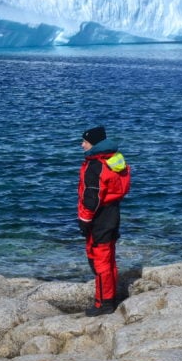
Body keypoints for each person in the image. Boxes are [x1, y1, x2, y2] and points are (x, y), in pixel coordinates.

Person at [77, 125, 131, 316]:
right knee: (108, 259)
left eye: (84, 142)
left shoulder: (95, 165)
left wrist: (84, 220)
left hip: (99, 218)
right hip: (113, 213)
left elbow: (92, 198)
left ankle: (103, 304)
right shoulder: (114, 160)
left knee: (99, 260)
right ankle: (109, 298)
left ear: (93, 144)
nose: (82, 145)